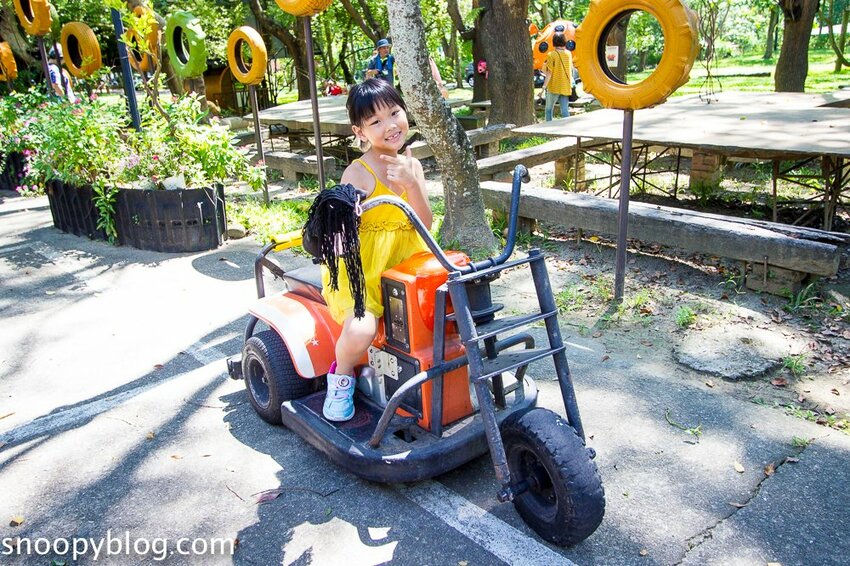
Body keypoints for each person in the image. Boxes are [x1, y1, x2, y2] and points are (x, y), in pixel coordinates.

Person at [321, 78, 432, 421]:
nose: (390, 125)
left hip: (406, 264)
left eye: (394, 113)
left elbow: (424, 223)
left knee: (450, 308)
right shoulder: (359, 172)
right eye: (375, 122)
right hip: (363, 272)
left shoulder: (412, 166)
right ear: (360, 131)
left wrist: (411, 184)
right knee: (362, 328)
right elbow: (340, 231)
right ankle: (340, 377)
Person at [539, 31, 573, 121]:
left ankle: (549, 130)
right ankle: (568, 130)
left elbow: (549, 73)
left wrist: (543, 87)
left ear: (554, 41)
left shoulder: (551, 55)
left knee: (549, 110)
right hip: (565, 85)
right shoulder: (568, 54)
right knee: (565, 111)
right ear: (564, 41)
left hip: (554, 86)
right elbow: (571, 69)